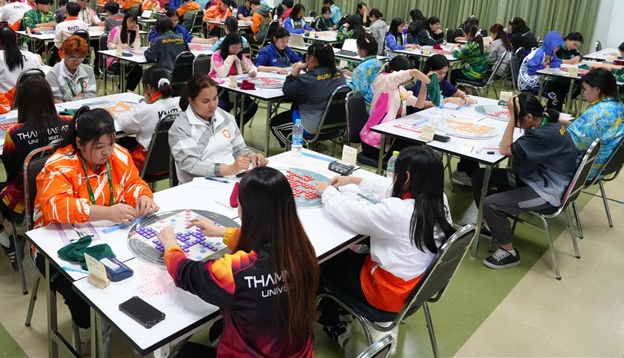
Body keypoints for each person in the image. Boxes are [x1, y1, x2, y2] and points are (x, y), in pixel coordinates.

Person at [34, 107, 158, 354]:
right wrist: (107, 212)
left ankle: (115, 320)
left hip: (108, 237)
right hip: (57, 245)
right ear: (80, 143)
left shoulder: (118, 155)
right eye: (99, 146)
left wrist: (143, 196)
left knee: (141, 268)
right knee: (83, 291)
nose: (107, 152)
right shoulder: (60, 164)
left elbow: (133, 183)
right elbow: (54, 206)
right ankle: (85, 328)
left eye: (110, 143)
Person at [158, 166, 318, 356]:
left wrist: (170, 245)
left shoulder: (236, 271)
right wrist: (223, 232)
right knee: (219, 328)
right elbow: (264, 239)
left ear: (247, 211)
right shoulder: (301, 248)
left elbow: (186, 273)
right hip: (299, 352)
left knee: (181, 352)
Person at [316, 146, 455, 346]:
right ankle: (342, 309)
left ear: (407, 177)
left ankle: (333, 320)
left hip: (388, 292)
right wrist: (353, 180)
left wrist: (327, 193)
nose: (393, 178)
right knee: (352, 251)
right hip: (418, 286)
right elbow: (389, 188)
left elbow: (352, 213)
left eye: (396, 173)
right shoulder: (439, 199)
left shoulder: (398, 212)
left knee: (323, 262)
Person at [0, 72, 70, 269]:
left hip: (25, 197)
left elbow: (11, 170)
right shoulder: (68, 123)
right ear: (50, 97)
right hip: (62, 191)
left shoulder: (15, 133)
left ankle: (8, 241)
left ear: (22, 101)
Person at [471, 93, 578, 269]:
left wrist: (512, 117)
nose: (515, 122)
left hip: (547, 192)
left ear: (528, 116)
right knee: (479, 176)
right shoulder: (547, 119)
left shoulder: (542, 135)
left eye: (516, 117)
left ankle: (509, 252)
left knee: (491, 204)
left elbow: (504, 149)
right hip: (534, 176)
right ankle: (490, 225)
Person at [169, 75, 267, 184]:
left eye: (215, 98)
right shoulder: (180, 127)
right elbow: (190, 164)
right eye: (205, 101)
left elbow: (239, 149)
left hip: (231, 179)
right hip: (199, 185)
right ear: (191, 100)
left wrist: (251, 156)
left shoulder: (226, 118)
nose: (212, 105)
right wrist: (228, 169)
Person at [270, 43, 348, 147]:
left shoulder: (307, 80)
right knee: (297, 105)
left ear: (311, 58)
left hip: (312, 126)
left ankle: (298, 149)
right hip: (336, 126)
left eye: (306, 57)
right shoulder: (339, 75)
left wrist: (297, 69)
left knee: (275, 124)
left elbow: (287, 89)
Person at [566, 68, 624, 181]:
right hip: (605, 166)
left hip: (585, 170)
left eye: (585, 89)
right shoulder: (619, 105)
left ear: (596, 89)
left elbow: (570, 145)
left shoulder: (598, 113)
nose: (584, 93)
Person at [359, 57, 430, 158]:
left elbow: (419, 104)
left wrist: (424, 85)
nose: (405, 82)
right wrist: (416, 73)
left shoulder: (400, 88)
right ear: (393, 71)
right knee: (413, 149)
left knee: (417, 144)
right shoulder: (383, 80)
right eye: (405, 78)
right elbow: (404, 75)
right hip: (374, 143)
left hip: (390, 138)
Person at [116, 66, 181, 170]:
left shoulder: (143, 110)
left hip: (146, 164)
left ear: (148, 88)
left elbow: (122, 123)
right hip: (174, 162)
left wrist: (144, 103)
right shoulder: (180, 103)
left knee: (117, 144)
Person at [210, 33, 258, 124]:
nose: (236, 50)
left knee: (251, 107)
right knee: (223, 108)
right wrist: (230, 58)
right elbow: (222, 74)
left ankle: (235, 126)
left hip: (235, 89)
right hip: (219, 89)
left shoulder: (239, 55)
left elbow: (250, 66)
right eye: (233, 48)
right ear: (227, 46)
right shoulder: (216, 55)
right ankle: (222, 128)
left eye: (239, 48)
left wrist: (252, 71)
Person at [0, 26, 42, 95]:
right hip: (31, 98)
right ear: (16, 39)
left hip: (5, 100)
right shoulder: (32, 56)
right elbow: (41, 78)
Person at [46, 35, 97, 102]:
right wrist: (80, 96)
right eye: (73, 57)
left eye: (81, 57)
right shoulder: (53, 74)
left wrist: (69, 100)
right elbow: (57, 102)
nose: (76, 61)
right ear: (64, 54)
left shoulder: (88, 70)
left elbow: (92, 96)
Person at [545, 32, 584, 109]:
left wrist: (578, 57)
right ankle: (555, 106)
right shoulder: (558, 47)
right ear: (568, 40)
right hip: (551, 76)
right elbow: (551, 60)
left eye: (577, 46)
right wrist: (568, 61)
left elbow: (578, 54)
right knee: (562, 83)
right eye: (574, 44)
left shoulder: (571, 49)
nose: (575, 47)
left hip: (563, 73)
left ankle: (565, 99)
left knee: (580, 82)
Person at [108, 10, 144, 91]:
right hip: (115, 60)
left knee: (138, 69)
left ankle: (127, 90)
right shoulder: (116, 30)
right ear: (125, 21)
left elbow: (136, 47)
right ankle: (121, 88)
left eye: (134, 22)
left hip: (129, 60)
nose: (132, 25)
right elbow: (109, 46)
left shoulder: (133, 32)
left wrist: (137, 32)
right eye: (129, 22)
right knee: (124, 68)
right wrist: (119, 46)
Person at [350, 33, 383, 111]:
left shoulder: (359, 69)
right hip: (381, 104)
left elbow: (357, 93)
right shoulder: (379, 63)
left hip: (366, 108)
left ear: (363, 50)